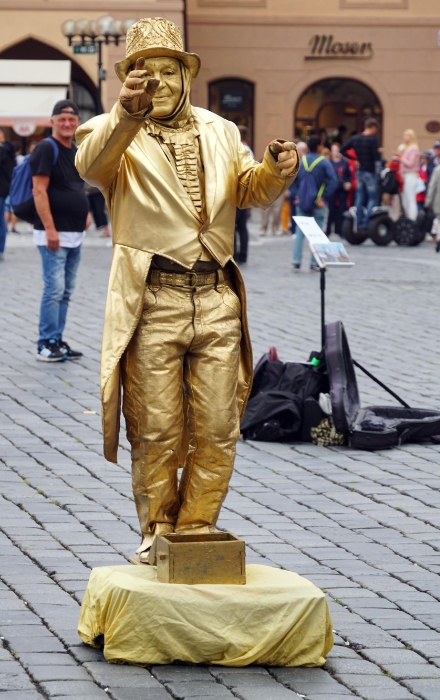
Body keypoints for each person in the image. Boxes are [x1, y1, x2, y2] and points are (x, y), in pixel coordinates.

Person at [75, 17, 298, 563]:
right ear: (130, 80)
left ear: (186, 76)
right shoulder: (110, 132)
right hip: (154, 298)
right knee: (154, 430)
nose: (160, 83)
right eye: (146, 73)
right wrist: (126, 113)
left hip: (218, 295)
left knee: (219, 428)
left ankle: (197, 528)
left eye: (169, 72)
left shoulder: (221, 130)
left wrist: (276, 169)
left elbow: (248, 191)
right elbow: (91, 166)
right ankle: (157, 531)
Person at [30, 100, 89, 361]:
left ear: (77, 122)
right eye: (62, 119)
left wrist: (85, 213)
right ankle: (46, 341)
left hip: (74, 234)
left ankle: (58, 338)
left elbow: (75, 187)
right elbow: (39, 190)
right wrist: (50, 228)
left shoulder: (75, 149)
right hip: (53, 234)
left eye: (71, 119)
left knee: (65, 291)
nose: (67, 123)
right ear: (52, 121)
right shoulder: (46, 148)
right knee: (54, 289)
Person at [292, 134, 338, 271]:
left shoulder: (301, 161)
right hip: (318, 203)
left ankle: (296, 261)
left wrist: (297, 196)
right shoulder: (324, 162)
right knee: (317, 233)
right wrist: (323, 197)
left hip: (302, 202)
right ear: (319, 147)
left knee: (299, 232)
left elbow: (291, 180)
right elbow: (333, 181)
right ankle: (315, 263)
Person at [341, 118, 380, 230]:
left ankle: (358, 222)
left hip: (359, 171)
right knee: (373, 197)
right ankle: (366, 222)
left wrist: (354, 158)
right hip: (370, 171)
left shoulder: (355, 138)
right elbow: (376, 157)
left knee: (360, 197)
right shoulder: (373, 140)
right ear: (373, 127)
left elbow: (343, 149)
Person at [234, 125, 253, 262]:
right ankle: (244, 254)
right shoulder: (249, 151)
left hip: (236, 192)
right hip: (245, 193)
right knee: (242, 226)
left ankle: (234, 253)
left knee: (232, 226)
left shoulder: (238, 150)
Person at [326, 143, 351, 238]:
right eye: (334, 150)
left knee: (342, 209)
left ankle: (340, 230)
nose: (335, 151)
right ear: (331, 151)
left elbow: (348, 174)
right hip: (333, 188)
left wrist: (349, 182)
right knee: (331, 209)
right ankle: (328, 230)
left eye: (337, 149)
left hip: (342, 188)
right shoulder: (328, 162)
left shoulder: (345, 162)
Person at [0, 128, 16, 260]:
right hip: (5, 188)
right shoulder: (9, 150)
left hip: (1, 188)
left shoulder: (3, 150)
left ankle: (0, 250)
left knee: (1, 220)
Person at [398, 129, 420, 221]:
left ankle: (412, 220)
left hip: (410, 174)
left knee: (410, 199)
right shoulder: (406, 148)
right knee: (405, 199)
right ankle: (408, 218)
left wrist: (401, 157)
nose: (404, 137)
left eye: (406, 135)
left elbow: (410, 163)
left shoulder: (414, 148)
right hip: (405, 175)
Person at [288, 140, 308, 234]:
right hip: (295, 192)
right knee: (294, 213)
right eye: (303, 149)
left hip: (305, 192)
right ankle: (294, 231)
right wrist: (295, 194)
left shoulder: (306, 161)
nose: (305, 151)